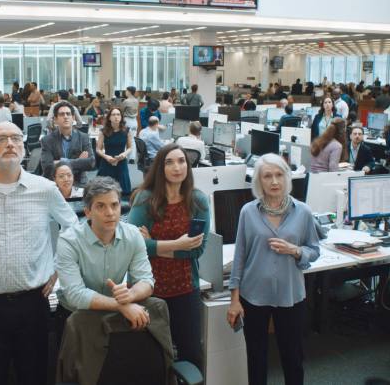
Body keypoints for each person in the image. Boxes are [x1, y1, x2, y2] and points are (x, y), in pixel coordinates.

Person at [0, 122, 78, 385]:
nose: (9, 143)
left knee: (34, 374)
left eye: (15, 138)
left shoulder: (44, 189)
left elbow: (73, 228)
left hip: (32, 303)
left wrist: (58, 268)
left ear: (23, 147)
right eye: (0, 139)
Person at [227, 153, 320, 385]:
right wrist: (234, 300)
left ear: (287, 178)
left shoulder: (303, 212)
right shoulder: (248, 212)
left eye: (279, 175)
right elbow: (239, 256)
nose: (274, 181)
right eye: (267, 176)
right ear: (259, 181)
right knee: (256, 357)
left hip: (291, 295)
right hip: (253, 294)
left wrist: (295, 250)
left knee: (293, 357)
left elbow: (314, 250)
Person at [128, 143, 209, 366]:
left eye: (181, 161)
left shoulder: (198, 200)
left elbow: (197, 250)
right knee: (151, 357)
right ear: (160, 168)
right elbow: (134, 245)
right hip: (149, 289)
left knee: (191, 353)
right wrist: (178, 244)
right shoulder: (145, 199)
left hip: (185, 287)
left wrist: (153, 245)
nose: (177, 167)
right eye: (169, 162)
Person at [56, 176, 154, 322]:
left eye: (114, 205)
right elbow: (75, 294)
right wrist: (121, 306)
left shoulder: (133, 234)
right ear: (87, 212)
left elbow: (146, 280)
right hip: (76, 316)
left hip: (115, 313)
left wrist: (131, 295)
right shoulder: (69, 241)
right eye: (101, 206)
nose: (110, 212)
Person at [40, 101, 95, 185]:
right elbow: (47, 166)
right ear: (55, 119)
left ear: (73, 118)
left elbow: (90, 162)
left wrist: (60, 161)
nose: (65, 117)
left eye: (68, 114)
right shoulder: (47, 140)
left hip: (78, 181)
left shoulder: (83, 137)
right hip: (55, 183)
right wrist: (78, 161)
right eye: (62, 114)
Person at [96, 107, 132, 195]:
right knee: (103, 191)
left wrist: (124, 154)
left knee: (124, 191)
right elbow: (98, 149)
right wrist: (106, 157)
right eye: (113, 114)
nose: (116, 117)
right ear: (109, 118)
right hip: (107, 161)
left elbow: (130, 148)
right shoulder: (103, 131)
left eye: (118, 114)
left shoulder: (126, 131)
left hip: (121, 161)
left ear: (121, 117)